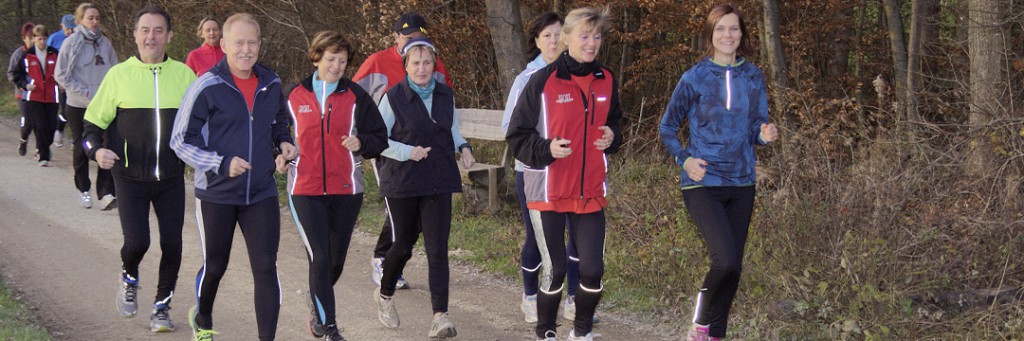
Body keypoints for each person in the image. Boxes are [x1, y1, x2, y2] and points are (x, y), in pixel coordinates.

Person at [170, 12, 296, 341]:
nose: (246, 49)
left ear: (259, 45)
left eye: (252, 42)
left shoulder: (271, 82)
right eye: (238, 42)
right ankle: (204, 316)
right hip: (217, 193)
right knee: (216, 266)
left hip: (261, 192)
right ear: (223, 44)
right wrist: (221, 163)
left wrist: (283, 143)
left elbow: (277, 122)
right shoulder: (207, 85)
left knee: (266, 268)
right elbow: (180, 140)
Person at [658, 4, 778, 341]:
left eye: (734, 29)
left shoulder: (753, 75)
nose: (728, 35)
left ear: (742, 34)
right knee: (724, 260)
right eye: (721, 29)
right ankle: (701, 321)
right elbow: (667, 127)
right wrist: (685, 159)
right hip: (702, 181)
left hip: (742, 181)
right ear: (710, 35)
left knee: (735, 267)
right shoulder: (694, 77)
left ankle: (714, 335)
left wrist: (764, 135)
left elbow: (757, 126)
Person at [506, 6, 622, 341]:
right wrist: (547, 149)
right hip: (547, 190)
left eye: (596, 36)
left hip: (590, 191)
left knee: (593, 271)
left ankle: (581, 332)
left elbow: (615, 123)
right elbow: (517, 135)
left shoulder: (606, 79)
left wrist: (613, 136)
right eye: (584, 36)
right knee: (555, 270)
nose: (591, 43)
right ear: (566, 38)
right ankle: (545, 332)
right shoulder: (541, 82)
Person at [82, 6, 195, 333]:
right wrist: (97, 150)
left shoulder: (185, 75)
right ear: (134, 36)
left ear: (169, 36)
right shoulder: (118, 75)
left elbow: (203, 124)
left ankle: (162, 306)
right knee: (138, 243)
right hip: (129, 177)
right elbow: (90, 124)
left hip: (171, 177)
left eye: (158, 30)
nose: (151, 36)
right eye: (145, 30)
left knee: (173, 245)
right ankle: (130, 276)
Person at [277, 30, 387, 341]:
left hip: (346, 190)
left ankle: (315, 302)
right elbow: (274, 132)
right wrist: (279, 153)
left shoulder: (355, 96)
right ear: (316, 58)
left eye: (342, 60)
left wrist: (361, 142)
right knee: (321, 258)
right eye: (330, 59)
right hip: (304, 189)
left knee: (334, 262)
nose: (336, 66)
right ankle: (329, 329)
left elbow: (379, 137)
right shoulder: (292, 95)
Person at [372, 37, 473, 340]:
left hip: (438, 178)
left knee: (437, 249)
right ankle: (385, 294)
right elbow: (377, 140)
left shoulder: (445, 94)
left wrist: (464, 147)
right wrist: (406, 151)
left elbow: (451, 129)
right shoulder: (392, 98)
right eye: (415, 63)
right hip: (402, 180)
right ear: (406, 65)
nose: (422, 68)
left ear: (434, 64)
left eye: (427, 62)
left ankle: (440, 317)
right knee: (402, 244)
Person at [501, 11, 595, 325]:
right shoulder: (528, 78)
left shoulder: (583, 74)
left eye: (558, 34)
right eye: (547, 36)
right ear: (537, 42)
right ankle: (531, 296)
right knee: (537, 239)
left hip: (574, 174)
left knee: (576, 239)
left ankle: (570, 298)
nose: (553, 41)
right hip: (534, 172)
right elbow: (510, 127)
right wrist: (546, 145)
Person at [353, 12, 453, 291]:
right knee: (397, 207)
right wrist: (360, 132)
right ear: (396, 37)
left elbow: (445, 103)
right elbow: (352, 97)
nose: (415, 44)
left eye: (420, 39)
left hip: (422, 149)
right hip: (386, 145)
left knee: (420, 216)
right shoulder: (377, 62)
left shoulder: (434, 63)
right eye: (409, 38)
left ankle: (392, 256)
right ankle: (383, 259)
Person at [55, 2, 118, 210]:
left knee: (107, 145)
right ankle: (84, 189)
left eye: (98, 18)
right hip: (79, 104)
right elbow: (61, 74)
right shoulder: (71, 43)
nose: (95, 22)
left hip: (103, 105)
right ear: (80, 20)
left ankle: (106, 192)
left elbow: (115, 71)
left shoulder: (105, 44)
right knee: (83, 147)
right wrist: (85, 92)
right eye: (90, 18)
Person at [11, 24, 59, 167]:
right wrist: (26, 85)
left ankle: (45, 146)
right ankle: (43, 156)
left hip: (52, 96)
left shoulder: (54, 53)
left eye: (44, 39)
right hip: (34, 96)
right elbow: (17, 74)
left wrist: (61, 83)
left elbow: (62, 71)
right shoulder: (27, 55)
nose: (42, 42)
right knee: (40, 125)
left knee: (51, 126)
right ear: (33, 39)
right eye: (39, 39)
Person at [46, 14, 76, 148]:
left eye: (72, 28)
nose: (69, 31)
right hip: (60, 80)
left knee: (77, 110)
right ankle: (58, 131)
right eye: (67, 28)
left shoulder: (78, 39)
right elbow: (47, 60)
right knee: (64, 110)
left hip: (77, 80)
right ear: (62, 26)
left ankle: (77, 139)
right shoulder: (54, 39)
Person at [7, 22, 34, 157]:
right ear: (24, 38)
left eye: (35, 36)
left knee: (42, 124)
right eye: (30, 37)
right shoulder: (18, 54)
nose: (33, 40)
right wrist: (23, 84)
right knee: (27, 123)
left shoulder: (43, 53)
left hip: (40, 95)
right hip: (23, 94)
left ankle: (42, 148)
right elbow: (11, 74)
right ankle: (23, 140)